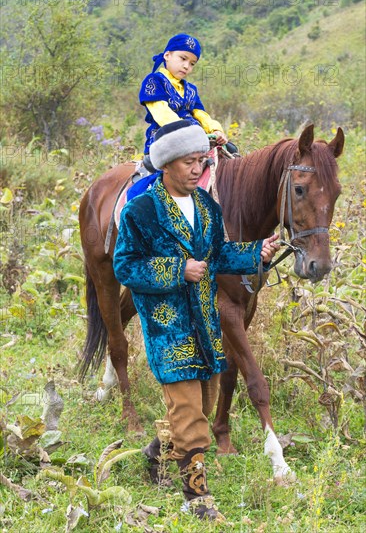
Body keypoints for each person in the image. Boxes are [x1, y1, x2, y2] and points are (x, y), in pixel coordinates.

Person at [113, 120, 280, 521]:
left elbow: (219, 256)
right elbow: (125, 266)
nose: (197, 170)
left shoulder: (207, 207)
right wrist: (175, 270)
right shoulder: (142, 210)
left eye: (202, 162)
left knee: (200, 405)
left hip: (206, 327)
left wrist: (255, 252)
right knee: (191, 416)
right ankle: (197, 499)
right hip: (169, 329)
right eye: (189, 162)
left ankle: (156, 450)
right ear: (167, 164)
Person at [139, 33, 237, 172]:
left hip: (198, 138)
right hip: (167, 136)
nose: (186, 66)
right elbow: (162, 113)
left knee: (231, 152)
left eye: (192, 63)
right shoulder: (154, 80)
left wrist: (215, 131)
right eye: (183, 59)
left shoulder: (191, 89)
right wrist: (189, 132)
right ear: (167, 55)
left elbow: (201, 114)